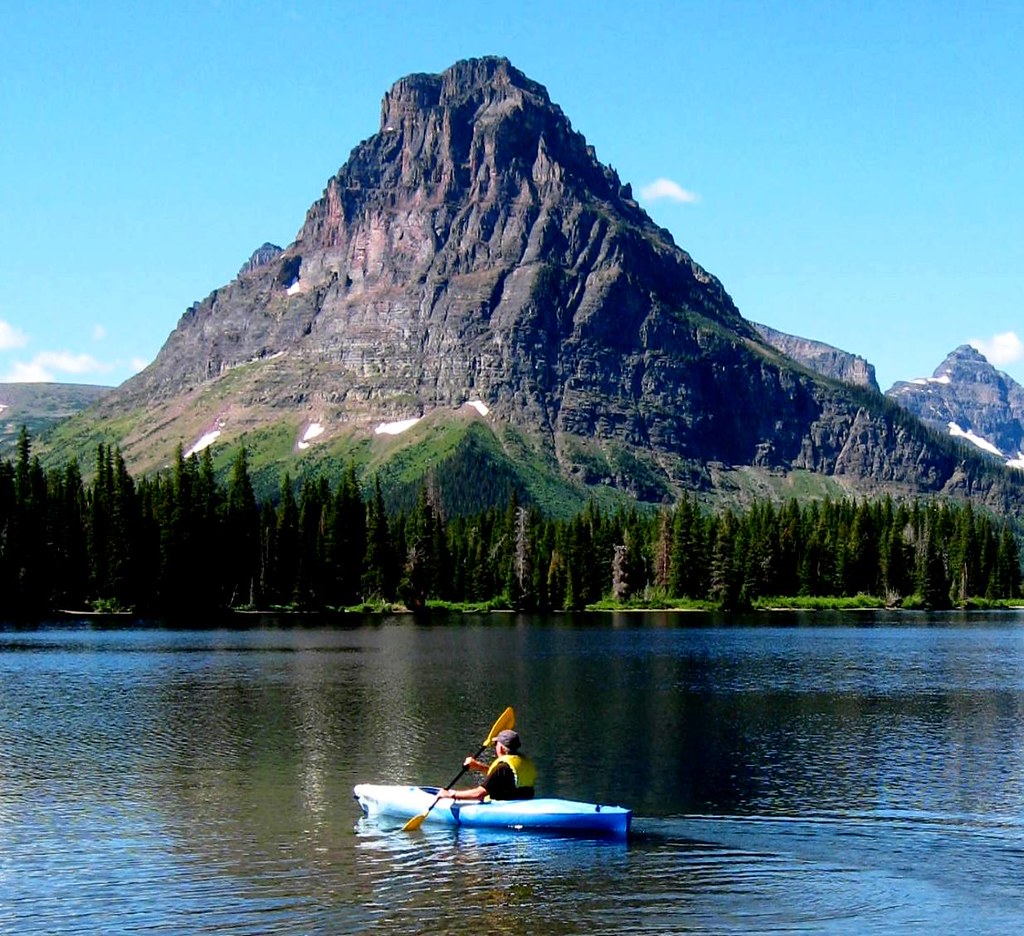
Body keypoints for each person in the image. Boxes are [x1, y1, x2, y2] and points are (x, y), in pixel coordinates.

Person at [439, 728, 536, 801]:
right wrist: (479, 767)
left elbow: (479, 794)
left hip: (500, 807)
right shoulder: (523, 762)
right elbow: (501, 778)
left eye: (496, 745)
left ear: (501, 748)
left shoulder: (502, 768)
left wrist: (450, 794)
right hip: (523, 802)